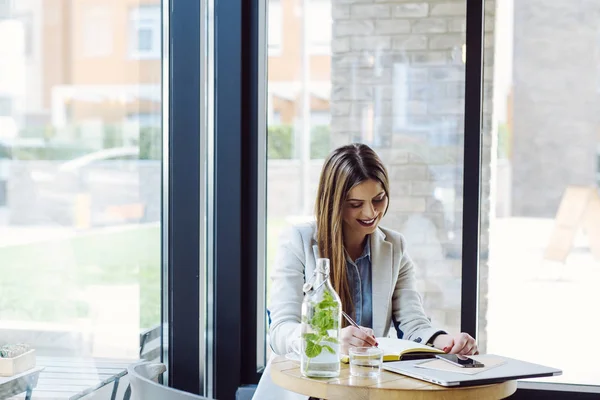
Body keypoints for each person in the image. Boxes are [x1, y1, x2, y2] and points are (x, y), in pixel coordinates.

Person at [253, 143, 477, 400]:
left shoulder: (394, 247)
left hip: (365, 388)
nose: (370, 213)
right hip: (306, 390)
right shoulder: (299, 241)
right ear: (334, 202)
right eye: (355, 204)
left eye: (378, 199)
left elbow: (413, 323)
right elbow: (280, 330)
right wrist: (330, 341)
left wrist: (446, 341)